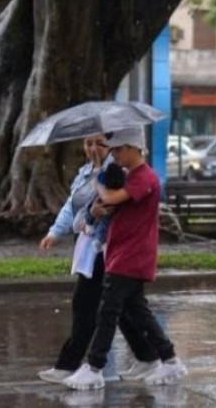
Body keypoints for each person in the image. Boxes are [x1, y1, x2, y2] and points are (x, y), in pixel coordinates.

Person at [63, 127, 185, 391]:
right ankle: (168, 358)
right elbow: (109, 207)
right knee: (139, 312)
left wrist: (98, 180)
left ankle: (94, 366)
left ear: (133, 148)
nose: (114, 155)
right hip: (120, 253)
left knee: (108, 311)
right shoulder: (130, 176)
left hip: (131, 256)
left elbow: (112, 197)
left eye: (118, 150)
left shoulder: (145, 177)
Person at [37, 135, 160, 384]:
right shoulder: (85, 172)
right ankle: (150, 357)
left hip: (105, 248)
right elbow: (72, 206)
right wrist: (55, 232)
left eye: (101, 143)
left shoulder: (115, 172)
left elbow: (115, 208)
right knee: (122, 307)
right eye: (88, 143)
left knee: (88, 303)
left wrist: (95, 212)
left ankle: (78, 365)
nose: (93, 148)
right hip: (87, 246)